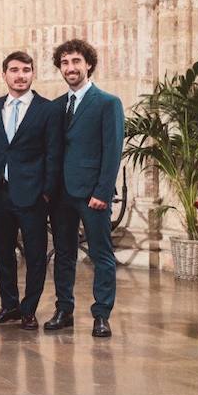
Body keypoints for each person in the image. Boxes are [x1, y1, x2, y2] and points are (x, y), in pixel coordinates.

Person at [48, 39, 124, 338]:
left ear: (88, 64)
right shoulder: (56, 106)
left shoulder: (107, 103)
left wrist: (102, 193)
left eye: (76, 62)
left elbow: (112, 150)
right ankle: (64, 310)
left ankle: (102, 314)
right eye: (65, 63)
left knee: (101, 254)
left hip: (92, 193)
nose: (70, 68)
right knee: (63, 254)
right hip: (61, 195)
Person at [0, 51, 61, 331]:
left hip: (33, 195)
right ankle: (10, 305)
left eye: (26, 70)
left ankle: (29, 310)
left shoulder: (48, 109)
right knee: (2, 252)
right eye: (14, 70)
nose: (20, 75)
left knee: (35, 255)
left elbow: (54, 153)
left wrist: (47, 192)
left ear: (32, 73)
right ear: (4, 74)